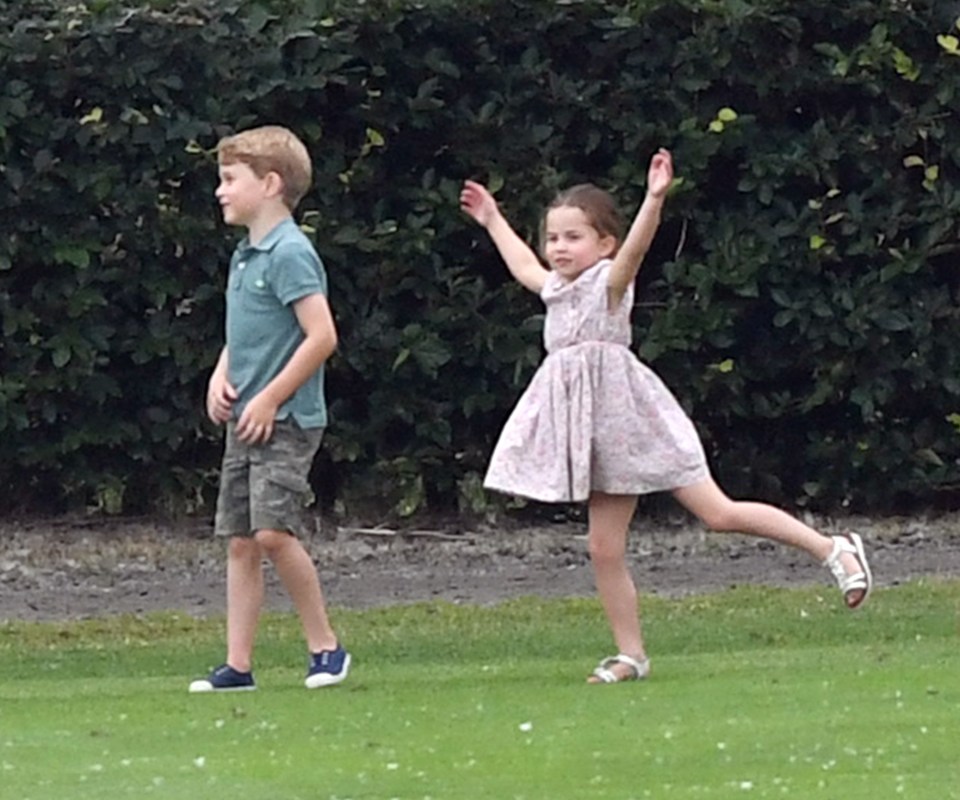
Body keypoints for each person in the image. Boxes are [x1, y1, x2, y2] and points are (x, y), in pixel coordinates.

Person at [459, 149, 872, 685]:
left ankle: (832, 548)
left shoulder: (609, 282)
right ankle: (631, 655)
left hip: (634, 422)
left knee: (718, 513)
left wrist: (654, 200)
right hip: (599, 435)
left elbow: (635, 251)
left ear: (603, 244)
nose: (559, 247)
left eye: (573, 237)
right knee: (603, 546)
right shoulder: (556, 290)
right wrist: (493, 219)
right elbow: (522, 265)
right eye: (553, 237)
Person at [189, 125, 350, 693]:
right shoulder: (246, 254)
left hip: (286, 420)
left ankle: (326, 649)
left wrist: (272, 397)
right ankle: (238, 666)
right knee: (240, 540)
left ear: (271, 184)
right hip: (246, 419)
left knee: (272, 533)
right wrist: (222, 374)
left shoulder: (290, 254)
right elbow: (248, 329)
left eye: (230, 180)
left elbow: (320, 336)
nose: (221, 191)